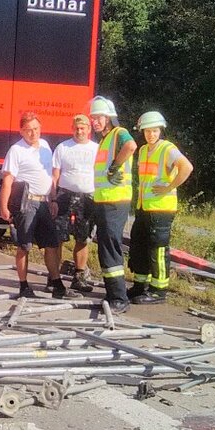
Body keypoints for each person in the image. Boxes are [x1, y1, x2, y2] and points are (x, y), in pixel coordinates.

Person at [0, 112, 68, 299]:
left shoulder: (45, 146)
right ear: (21, 131)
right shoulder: (16, 150)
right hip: (26, 203)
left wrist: (53, 199)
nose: (33, 133)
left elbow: (50, 176)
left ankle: (55, 282)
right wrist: (4, 207)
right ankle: (24, 286)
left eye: (36, 129)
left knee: (51, 244)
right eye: (28, 130)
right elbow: (8, 180)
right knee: (24, 245)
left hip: (44, 201)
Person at [128, 111, 194, 304]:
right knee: (139, 246)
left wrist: (169, 187)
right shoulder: (142, 150)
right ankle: (140, 285)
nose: (151, 134)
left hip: (161, 209)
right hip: (144, 208)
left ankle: (158, 291)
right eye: (148, 131)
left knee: (157, 249)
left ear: (161, 130)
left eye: (155, 131)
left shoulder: (167, 148)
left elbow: (187, 167)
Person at [89, 96, 137, 313]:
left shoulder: (119, 133)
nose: (94, 121)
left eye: (97, 117)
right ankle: (112, 294)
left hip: (115, 200)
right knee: (106, 247)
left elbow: (131, 145)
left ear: (109, 117)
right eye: (92, 118)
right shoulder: (105, 140)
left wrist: (115, 166)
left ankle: (119, 297)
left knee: (110, 247)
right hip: (104, 200)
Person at [49, 113, 98, 292]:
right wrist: (52, 198)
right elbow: (54, 175)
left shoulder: (97, 149)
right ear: (72, 129)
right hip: (64, 196)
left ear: (88, 130)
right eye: (76, 128)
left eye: (83, 128)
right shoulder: (63, 147)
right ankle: (53, 277)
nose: (79, 131)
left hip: (88, 198)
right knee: (58, 238)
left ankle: (79, 277)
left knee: (83, 238)